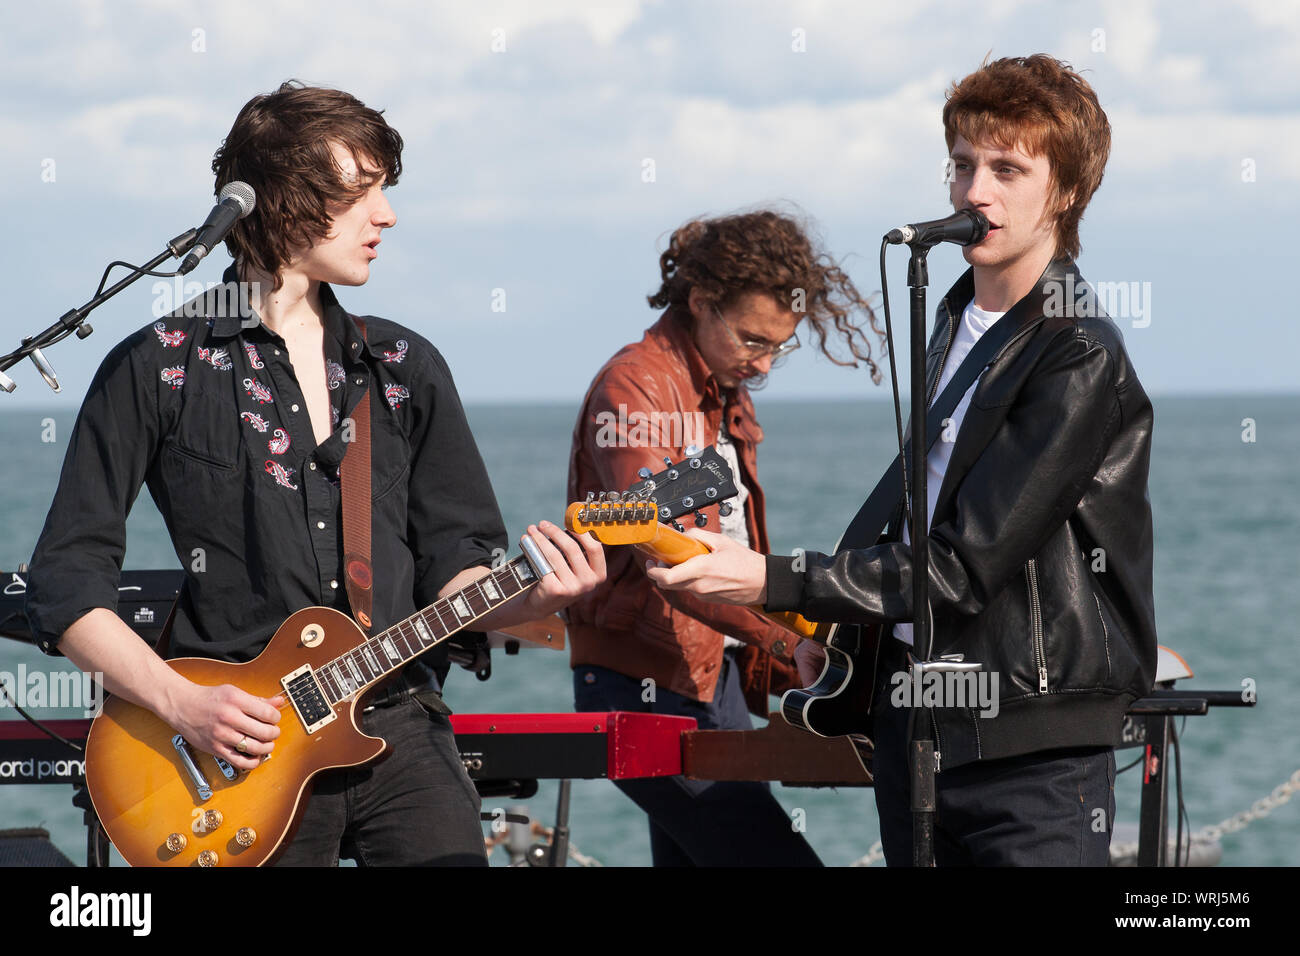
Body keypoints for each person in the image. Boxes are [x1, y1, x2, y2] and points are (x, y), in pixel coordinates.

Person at [23, 81, 604, 867]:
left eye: (385, 195)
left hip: (397, 723)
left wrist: (537, 594)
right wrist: (183, 703)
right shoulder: (157, 366)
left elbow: (456, 577)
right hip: (235, 750)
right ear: (285, 202)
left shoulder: (402, 367)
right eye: (362, 193)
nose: (387, 217)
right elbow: (66, 580)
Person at [646, 55, 1158, 866]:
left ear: (1064, 192)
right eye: (961, 165)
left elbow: (963, 564)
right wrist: (846, 634)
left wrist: (774, 579)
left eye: (1006, 169)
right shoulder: (952, 329)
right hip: (918, 729)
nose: (973, 192)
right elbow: (918, 514)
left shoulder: (1078, 349)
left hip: (1030, 748)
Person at [567, 208, 884, 866]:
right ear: (701, 301)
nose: (764, 363)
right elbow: (670, 558)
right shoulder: (633, 389)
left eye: (778, 347)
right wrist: (784, 638)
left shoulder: (724, 387)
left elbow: (728, 542)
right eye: (751, 340)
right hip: (642, 684)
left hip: (716, 681)